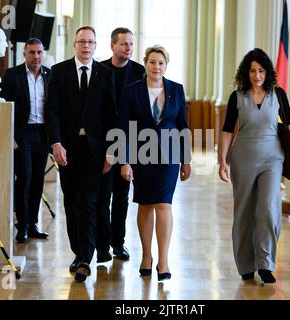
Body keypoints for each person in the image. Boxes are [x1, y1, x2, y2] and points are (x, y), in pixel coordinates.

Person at [218, 48, 290, 283]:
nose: (257, 75)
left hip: (273, 158)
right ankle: (246, 264)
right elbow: (227, 131)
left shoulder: (278, 94)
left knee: (268, 207)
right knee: (244, 210)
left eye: (261, 71)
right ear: (246, 73)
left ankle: (265, 263)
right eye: (253, 71)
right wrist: (221, 162)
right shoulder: (237, 96)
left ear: (268, 73)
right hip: (243, 158)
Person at [44, 26, 116, 282]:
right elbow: (51, 110)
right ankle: (79, 252)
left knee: (88, 202)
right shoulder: (59, 72)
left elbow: (112, 115)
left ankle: (85, 257)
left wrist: (111, 151)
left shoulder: (105, 74)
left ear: (96, 46)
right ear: (74, 45)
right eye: (82, 42)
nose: (86, 46)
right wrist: (55, 143)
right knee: (71, 202)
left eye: (90, 42)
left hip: (96, 151)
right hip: (68, 150)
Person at [118, 45, 191, 281]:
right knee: (145, 204)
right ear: (145, 63)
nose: (156, 67)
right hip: (141, 155)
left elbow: (183, 126)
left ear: (166, 66)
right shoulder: (132, 91)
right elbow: (123, 127)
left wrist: (186, 160)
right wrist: (124, 161)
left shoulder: (176, 90)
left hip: (169, 155)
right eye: (152, 62)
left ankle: (164, 260)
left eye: (160, 63)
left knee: (163, 204)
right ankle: (146, 256)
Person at [96, 27, 145, 263]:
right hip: (104, 143)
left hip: (130, 144)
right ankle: (102, 246)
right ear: (112, 45)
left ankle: (118, 243)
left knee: (122, 197)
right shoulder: (100, 70)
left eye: (131, 44)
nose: (129, 48)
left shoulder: (140, 72)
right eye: (124, 44)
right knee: (102, 196)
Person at [0, 38, 50, 243]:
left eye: (39, 52)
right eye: (32, 53)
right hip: (22, 135)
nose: (36, 56)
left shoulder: (50, 75)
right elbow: (4, 105)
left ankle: (32, 224)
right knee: (25, 179)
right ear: (24, 54)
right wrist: (9, 134)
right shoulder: (13, 75)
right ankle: (21, 225)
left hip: (43, 134)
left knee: (38, 179)